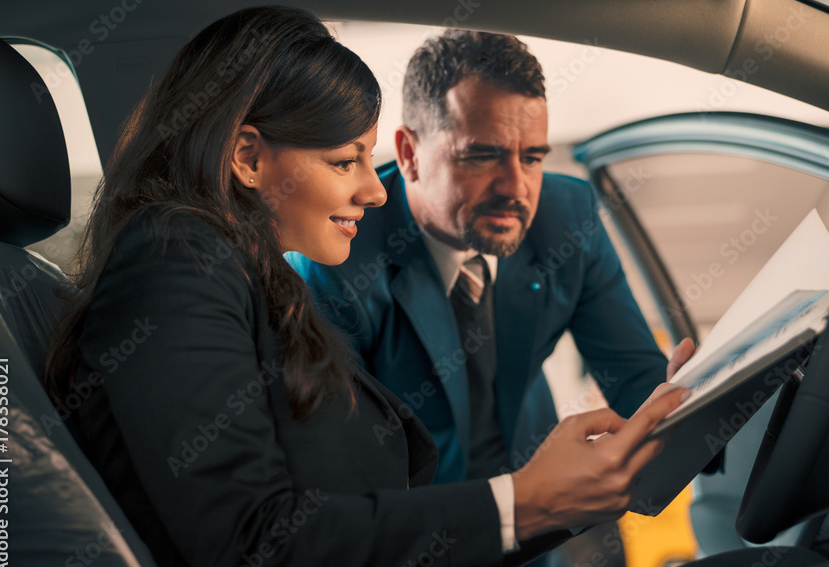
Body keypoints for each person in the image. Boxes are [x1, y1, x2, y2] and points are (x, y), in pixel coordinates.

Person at [42, 5, 691, 567]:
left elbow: (361, 538)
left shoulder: (245, 276)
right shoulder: (174, 262)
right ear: (247, 157)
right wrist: (525, 504)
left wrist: (560, 502)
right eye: (344, 161)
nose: (374, 189)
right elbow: (253, 547)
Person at [286, 30, 694, 484]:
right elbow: (343, 469)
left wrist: (685, 401)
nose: (516, 188)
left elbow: (633, 377)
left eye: (533, 158)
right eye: (482, 156)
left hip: (537, 496)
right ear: (409, 154)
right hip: (410, 523)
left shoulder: (569, 217)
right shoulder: (335, 261)